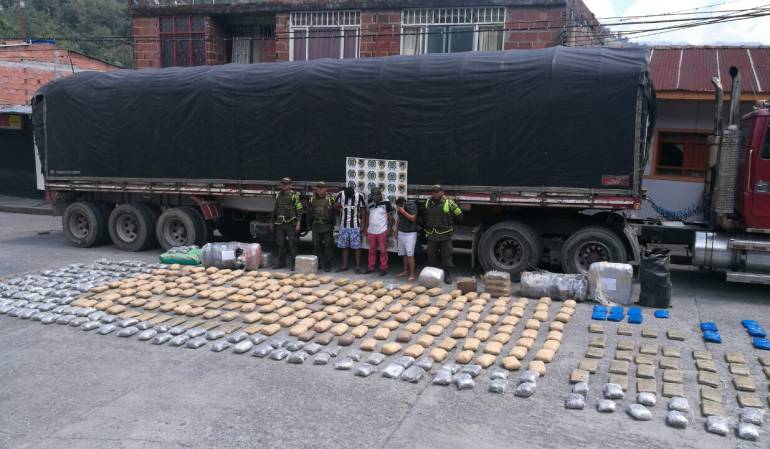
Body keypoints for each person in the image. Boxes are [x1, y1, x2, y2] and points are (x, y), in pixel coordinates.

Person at [421, 184, 463, 284]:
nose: (434, 193)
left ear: (442, 192)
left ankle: (447, 275)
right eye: (433, 191)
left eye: (437, 191)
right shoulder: (427, 202)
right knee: (431, 257)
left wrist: (453, 226)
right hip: (432, 235)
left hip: (445, 235)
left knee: (446, 257)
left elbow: (459, 215)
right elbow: (422, 215)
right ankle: (431, 277)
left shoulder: (449, 202)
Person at [270, 177, 303, 270]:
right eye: (283, 184)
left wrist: (298, 222)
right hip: (280, 223)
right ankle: (281, 262)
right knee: (280, 243)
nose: (284, 186)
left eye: (286, 184)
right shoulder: (278, 195)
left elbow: (299, 209)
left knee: (293, 244)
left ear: (290, 185)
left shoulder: (294, 196)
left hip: (291, 223)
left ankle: (294, 264)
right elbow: (275, 209)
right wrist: (272, 222)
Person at [335, 186, 367, 273]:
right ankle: (344, 266)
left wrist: (363, 224)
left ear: (353, 193)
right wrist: (337, 206)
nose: (349, 198)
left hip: (355, 226)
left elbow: (363, 211)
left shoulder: (359, 196)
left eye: (350, 196)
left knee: (356, 247)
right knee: (344, 246)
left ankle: (357, 267)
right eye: (347, 197)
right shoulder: (340, 194)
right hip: (343, 226)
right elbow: (335, 205)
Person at [363, 189, 394, 276]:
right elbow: (368, 216)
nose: (375, 197)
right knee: (371, 250)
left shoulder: (386, 203)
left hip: (382, 230)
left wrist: (389, 228)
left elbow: (390, 217)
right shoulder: (369, 203)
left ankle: (383, 268)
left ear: (380, 195)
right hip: (371, 231)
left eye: (377, 195)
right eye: (374, 195)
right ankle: (371, 267)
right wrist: (365, 228)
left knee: (383, 251)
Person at [307, 181, 336, 272]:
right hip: (316, 225)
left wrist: (333, 224)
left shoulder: (331, 199)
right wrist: (308, 224)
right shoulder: (312, 199)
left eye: (322, 188)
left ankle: (328, 264)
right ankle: (317, 263)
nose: (320, 190)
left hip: (327, 225)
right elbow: (309, 213)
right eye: (318, 188)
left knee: (328, 246)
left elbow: (335, 212)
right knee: (316, 246)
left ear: (326, 189)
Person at [396, 197, 418, 281]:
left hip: (410, 234)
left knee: (410, 255)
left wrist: (403, 211)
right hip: (401, 232)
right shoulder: (399, 209)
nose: (398, 208)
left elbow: (413, 218)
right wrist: (397, 231)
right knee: (404, 254)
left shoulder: (411, 206)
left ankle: (412, 274)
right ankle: (405, 271)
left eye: (398, 206)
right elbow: (399, 220)